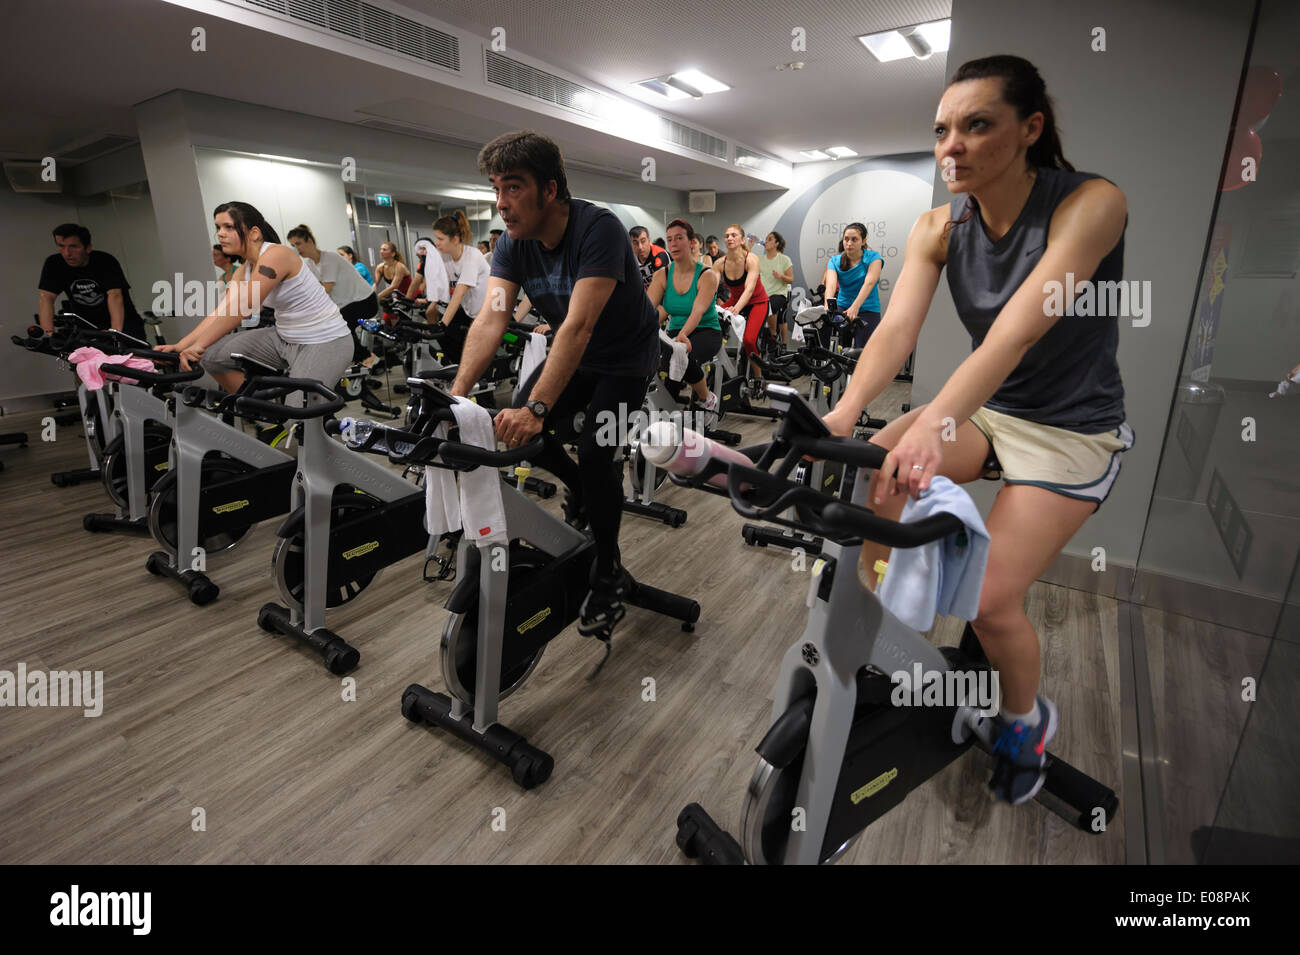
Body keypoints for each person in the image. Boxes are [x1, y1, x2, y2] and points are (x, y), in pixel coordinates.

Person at [822, 54, 1134, 805]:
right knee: (877, 459)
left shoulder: (1091, 205)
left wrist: (940, 419)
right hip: (995, 412)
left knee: (991, 603)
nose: (950, 146)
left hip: (1071, 432)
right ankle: (873, 643)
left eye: (976, 125)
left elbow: (1010, 338)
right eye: (941, 131)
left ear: (1030, 129)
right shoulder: (939, 226)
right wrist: (839, 411)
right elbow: (895, 332)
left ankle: (1027, 722)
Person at [453, 130, 659, 639]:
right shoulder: (512, 245)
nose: (501, 204)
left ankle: (607, 566)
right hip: (575, 356)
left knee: (595, 453)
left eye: (514, 188)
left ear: (550, 189)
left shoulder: (599, 229)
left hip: (626, 361)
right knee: (517, 435)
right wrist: (456, 395)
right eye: (496, 190)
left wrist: (538, 407)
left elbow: (578, 326)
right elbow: (491, 320)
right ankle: (583, 493)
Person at [156, 202, 353, 402]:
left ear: (254, 233)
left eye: (229, 227)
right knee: (212, 356)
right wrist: (181, 345)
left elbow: (245, 306)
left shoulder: (277, 254)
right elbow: (222, 310)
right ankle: (258, 410)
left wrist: (198, 345)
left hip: (325, 341)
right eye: (218, 228)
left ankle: (289, 420)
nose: (220, 234)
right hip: (284, 338)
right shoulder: (244, 269)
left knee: (298, 417)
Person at [646, 219, 721, 412]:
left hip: (706, 330)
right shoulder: (662, 275)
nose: (673, 244)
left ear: (692, 242)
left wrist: (683, 335)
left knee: (681, 355)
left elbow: (697, 311)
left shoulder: (707, 274)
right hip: (677, 330)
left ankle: (707, 398)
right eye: (670, 239)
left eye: (679, 238)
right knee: (663, 365)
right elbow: (647, 309)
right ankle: (665, 413)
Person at [287, 224, 382, 366]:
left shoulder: (329, 258)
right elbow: (309, 288)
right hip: (347, 304)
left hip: (365, 301)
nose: (296, 248)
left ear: (310, 241)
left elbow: (325, 289)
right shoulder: (310, 264)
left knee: (339, 324)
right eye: (293, 245)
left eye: (298, 243)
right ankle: (354, 358)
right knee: (330, 324)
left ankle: (368, 358)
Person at [37, 223, 146, 339]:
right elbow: (46, 297)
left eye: (73, 247)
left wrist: (115, 332)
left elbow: (115, 295)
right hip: (87, 328)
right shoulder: (54, 263)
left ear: (88, 247)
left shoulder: (105, 261)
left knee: (132, 354)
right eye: (61, 246)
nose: (67, 253)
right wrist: (48, 334)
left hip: (124, 324)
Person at [713, 223, 770, 376]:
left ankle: (757, 378)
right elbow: (711, 288)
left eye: (734, 235)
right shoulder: (719, 263)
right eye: (726, 236)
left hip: (757, 302)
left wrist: (736, 309)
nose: (729, 238)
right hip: (735, 300)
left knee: (749, 340)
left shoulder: (751, 259)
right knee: (710, 325)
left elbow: (749, 289)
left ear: (743, 240)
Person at [822, 222, 884, 349]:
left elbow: (870, 283)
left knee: (863, 350)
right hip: (843, 306)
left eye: (854, 239)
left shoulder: (873, 257)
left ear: (863, 241)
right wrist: (827, 306)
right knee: (834, 342)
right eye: (846, 239)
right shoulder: (834, 261)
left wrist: (855, 307)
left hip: (868, 308)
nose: (849, 243)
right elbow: (831, 286)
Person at [434, 210, 492, 330]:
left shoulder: (472, 256)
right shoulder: (445, 256)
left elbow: (459, 292)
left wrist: (443, 324)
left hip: (491, 314)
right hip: (470, 313)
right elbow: (439, 284)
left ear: (455, 239)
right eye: (436, 238)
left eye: (440, 239)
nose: (436, 243)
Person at [760, 231, 794, 347]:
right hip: (764, 294)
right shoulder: (760, 259)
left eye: (770, 239)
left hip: (779, 293)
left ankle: (774, 335)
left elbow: (790, 279)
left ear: (776, 243)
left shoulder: (784, 259)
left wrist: (781, 276)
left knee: (772, 307)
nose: (766, 241)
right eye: (766, 239)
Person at [373, 241, 411, 310]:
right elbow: (375, 284)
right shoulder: (380, 267)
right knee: (387, 317)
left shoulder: (399, 267)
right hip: (398, 296)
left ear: (393, 254)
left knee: (396, 316)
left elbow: (393, 287)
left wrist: (377, 297)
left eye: (384, 249)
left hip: (410, 294)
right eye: (381, 249)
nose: (381, 251)